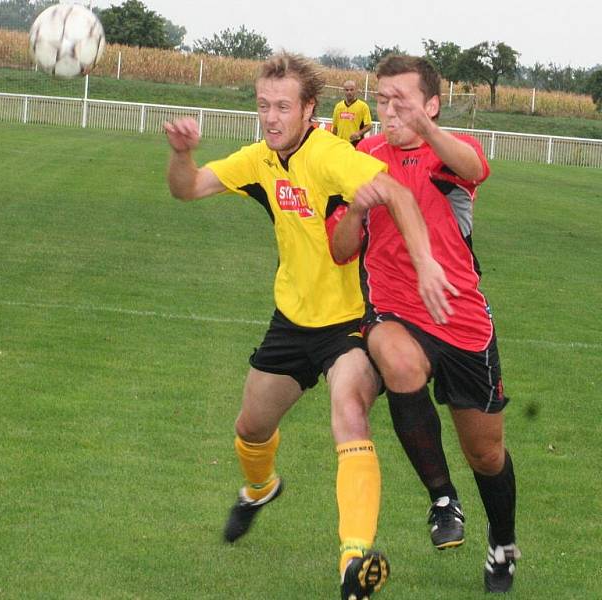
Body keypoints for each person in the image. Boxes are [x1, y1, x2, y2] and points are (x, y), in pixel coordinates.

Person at [164, 52, 452, 600]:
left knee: (349, 415)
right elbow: (188, 188)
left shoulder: (330, 156)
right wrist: (182, 154)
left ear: (309, 109)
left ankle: (353, 562)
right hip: (292, 318)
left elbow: (395, 190)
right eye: (263, 106)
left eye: (282, 107)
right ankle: (260, 488)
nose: (270, 118)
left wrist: (425, 260)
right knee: (250, 428)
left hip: (351, 323)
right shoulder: (260, 159)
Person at [329, 55, 521, 594]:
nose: (389, 110)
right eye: (383, 99)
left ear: (431, 104)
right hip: (395, 310)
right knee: (395, 357)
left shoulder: (450, 152)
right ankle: (442, 498)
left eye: (402, 100)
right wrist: (358, 210)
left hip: (461, 320)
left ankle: (502, 540)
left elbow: (476, 168)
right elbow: (341, 252)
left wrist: (426, 128)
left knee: (485, 453)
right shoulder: (364, 156)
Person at [332, 80, 373, 147]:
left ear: (356, 90)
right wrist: (333, 141)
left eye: (351, 90)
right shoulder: (338, 106)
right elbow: (335, 127)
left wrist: (358, 133)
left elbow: (369, 125)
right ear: (344, 91)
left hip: (355, 143)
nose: (349, 92)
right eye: (347, 90)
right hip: (340, 143)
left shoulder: (363, 106)